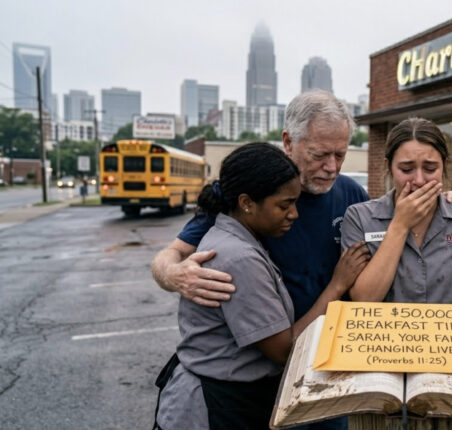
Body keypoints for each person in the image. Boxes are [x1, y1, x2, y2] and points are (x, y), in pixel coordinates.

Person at [155, 143, 367, 429]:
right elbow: (284, 350)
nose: (294, 214)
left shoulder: (238, 237)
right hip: (220, 406)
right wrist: (337, 286)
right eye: (284, 205)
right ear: (246, 203)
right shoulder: (239, 257)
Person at [340, 117, 452, 319]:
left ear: (444, 167)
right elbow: (363, 300)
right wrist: (400, 225)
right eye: (406, 169)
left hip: (448, 344)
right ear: (389, 168)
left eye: (430, 169)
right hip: (381, 344)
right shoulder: (360, 217)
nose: (419, 180)